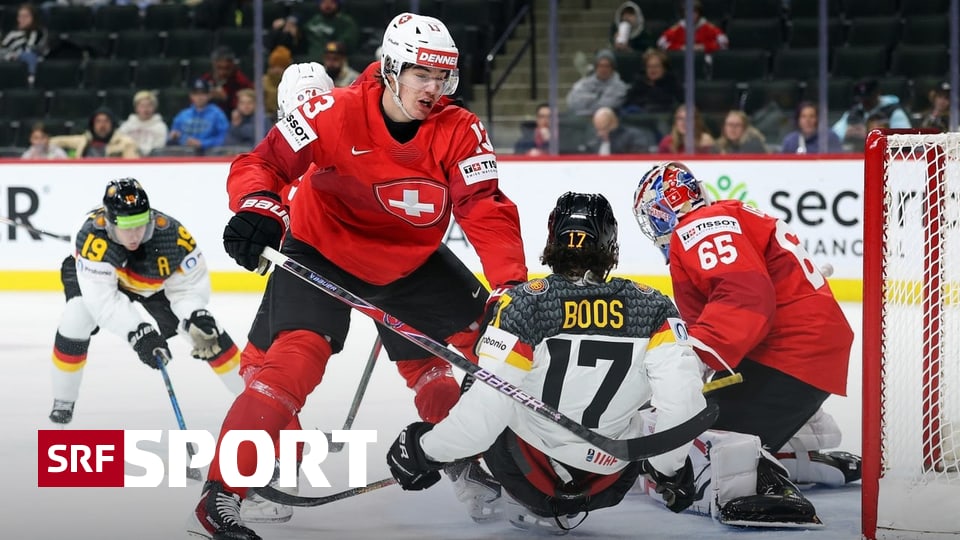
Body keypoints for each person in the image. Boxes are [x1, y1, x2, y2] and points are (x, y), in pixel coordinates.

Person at [187, 13, 528, 540]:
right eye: (423, 75)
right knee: (290, 366)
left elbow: (484, 207)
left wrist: (510, 285)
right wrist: (258, 206)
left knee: (495, 348)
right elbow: (264, 163)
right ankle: (221, 494)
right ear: (391, 69)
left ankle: (482, 464)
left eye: (444, 77)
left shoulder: (461, 128)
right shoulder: (332, 112)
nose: (435, 88)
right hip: (319, 253)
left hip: (412, 261)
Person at [386, 192, 706, 534]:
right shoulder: (654, 307)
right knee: (642, 399)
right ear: (611, 241)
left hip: (527, 476)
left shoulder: (526, 305)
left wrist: (422, 451)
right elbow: (682, 407)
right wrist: (667, 470)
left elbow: (481, 423)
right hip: (609, 483)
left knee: (482, 378)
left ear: (553, 238)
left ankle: (474, 482)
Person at [632, 162, 861, 520]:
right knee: (691, 418)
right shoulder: (726, 215)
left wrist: (693, 356)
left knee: (683, 443)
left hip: (790, 356)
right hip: (797, 353)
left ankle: (765, 479)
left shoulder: (697, 227)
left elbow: (745, 296)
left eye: (652, 216)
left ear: (664, 210)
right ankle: (796, 452)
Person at [49, 178, 243, 425]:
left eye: (140, 225)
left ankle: (252, 398)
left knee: (207, 335)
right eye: (127, 226)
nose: (134, 235)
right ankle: (63, 400)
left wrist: (194, 314)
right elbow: (104, 302)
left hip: (151, 285)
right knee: (75, 319)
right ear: (109, 223)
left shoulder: (174, 237)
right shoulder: (91, 241)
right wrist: (138, 332)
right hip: (101, 278)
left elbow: (186, 290)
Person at [831, 78, 910, 150]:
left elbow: (907, 141)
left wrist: (870, 135)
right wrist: (845, 134)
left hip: (886, 157)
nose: (865, 102)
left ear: (877, 93)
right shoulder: (852, 113)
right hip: (856, 156)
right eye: (862, 99)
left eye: (868, 98)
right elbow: (833, 136)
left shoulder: (893, 111)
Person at [168, 78, 229, 155]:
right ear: (191, 96)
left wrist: (202, 143)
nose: (199, 97)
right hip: (184, 156)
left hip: (209, 156)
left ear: (209, 95)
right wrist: (176, 137)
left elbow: (224, 138)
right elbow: (172, 135)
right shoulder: (183, 115)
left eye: (203, 93)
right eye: (196, 93)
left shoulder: (217, 114)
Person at [50, 107, 139, 159]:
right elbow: (56, 141)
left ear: (112, 123)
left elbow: (133, 166)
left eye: (106, 121)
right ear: (93, 124)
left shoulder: (125, 142)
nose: (102, 125)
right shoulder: (84, 140)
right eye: (98, 121)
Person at [566, 49, 629, 116]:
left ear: (612, 68)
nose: (603, 69)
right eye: (600, 66)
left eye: (607, 66)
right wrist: (596, 97)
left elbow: (604, 107)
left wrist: (586, 101)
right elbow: (572, 102)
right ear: (596, 67)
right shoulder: (584, 83)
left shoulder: (620, 87)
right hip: (580, 120)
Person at [622, 48, 681, 114]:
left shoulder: (672, 84)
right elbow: (627, 104)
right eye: (649, 66)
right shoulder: (638, 83)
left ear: (664, 68)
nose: (652, 70)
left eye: (656, 66)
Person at [657, 0, 728, 53]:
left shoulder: (709, 28)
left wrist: (704, 47)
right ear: (683, 13)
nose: (690, 15)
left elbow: (724, 43)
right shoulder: (677, 29)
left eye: (694, 12)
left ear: (699, 13)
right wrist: (681, 48)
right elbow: (661, 43)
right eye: (687, 11)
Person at [202, 46, 254, 116]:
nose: (222, 72)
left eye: (227, 68)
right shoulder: (206, 79)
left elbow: (250, 104)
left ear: (233, 65)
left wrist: (227, 98)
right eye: (219, 68)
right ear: (213, 64)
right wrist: (206, 98)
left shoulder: (241, 81)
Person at [581, 106, 655, 154]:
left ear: (614, 122)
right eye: (598, 128)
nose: (600, 132)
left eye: (605, 128)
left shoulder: (633, 136)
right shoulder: (594, 140)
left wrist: (610, 139)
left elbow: (639, 156)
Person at [117, 90, 169, 157]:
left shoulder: (161, 127)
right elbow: (119, 144)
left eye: (149, 106)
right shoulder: (126, 126)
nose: (146, 109)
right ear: (136, 108)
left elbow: (159, 149)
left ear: (154, 108)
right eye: (142, 106)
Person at [0, 3, 48, 75]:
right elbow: (3, 49)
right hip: (12, 62)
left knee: (29, 55)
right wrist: (13, 56)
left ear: (33, 18)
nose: (22, 19)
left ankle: (31, 77)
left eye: (26, 16)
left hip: (35, 61)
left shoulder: (40, 32)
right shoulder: (12, 34)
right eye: (20, 16)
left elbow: (37, 48)